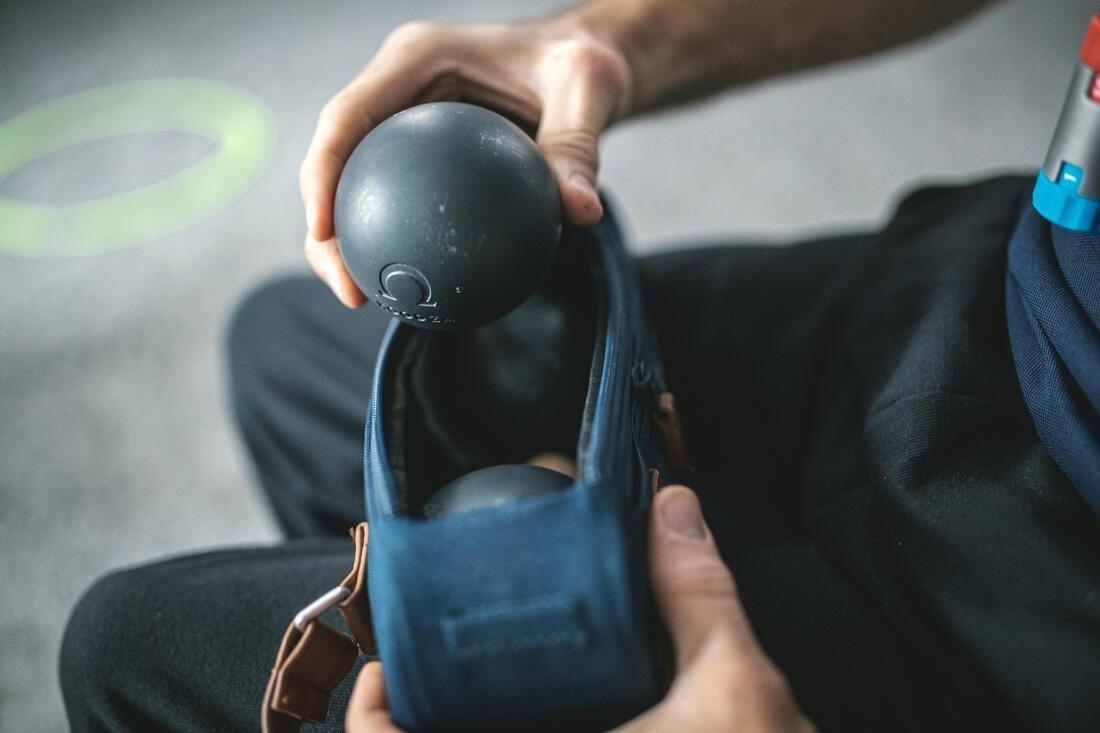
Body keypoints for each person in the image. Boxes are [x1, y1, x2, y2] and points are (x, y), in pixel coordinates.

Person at [60, 0, 1100, 731]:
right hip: (990, 284)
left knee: (130, 650)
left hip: (1020, 602)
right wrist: (596, 42)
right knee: (285, 346)